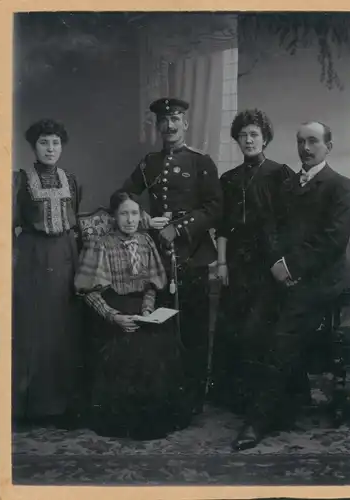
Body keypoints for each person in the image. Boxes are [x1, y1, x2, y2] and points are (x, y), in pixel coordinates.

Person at [232, 121, 350, 450]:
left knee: (283, 335)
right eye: (301, 141)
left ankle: (258, 421)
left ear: (328, 146)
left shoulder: (340, 186)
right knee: (253, 326)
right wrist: (277, 265)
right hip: (283, 276)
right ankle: (288, 402)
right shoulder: (287, 185)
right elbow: (271, 228)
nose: (306, 148)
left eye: (313, 141)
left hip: (318, 281)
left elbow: (332, 241)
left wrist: (290, 267)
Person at [114, 98, 222, 415]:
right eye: (164, 121)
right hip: (158, 257)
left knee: (193, 327)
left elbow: (215, 208)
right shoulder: (149, 163)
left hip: (192, 256)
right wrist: (145, 219)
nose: (170, 126)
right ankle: (167, 394)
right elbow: (122, 197)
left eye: (175, 120)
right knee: (161, 326)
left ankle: (194, 398)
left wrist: (180, 229)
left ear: (185, 124)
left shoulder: (202, 162)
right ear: (158, 126)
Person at [74, 191, 191, 440]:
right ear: (115, 216)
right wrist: (113, 316)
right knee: (130, 353)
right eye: (124, 213)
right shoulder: (100, 244)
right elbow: (87, 292)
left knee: (161, 346)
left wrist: (147, 310)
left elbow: (150, 286)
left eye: (135, 213)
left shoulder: (146, 241)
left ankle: (156, 418)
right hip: (111, 312)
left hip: (141, 311)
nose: (130, 219)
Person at [210, 108, 294, 420]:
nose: (248, 140)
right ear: (237, 139)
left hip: (269, 263)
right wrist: (221, 263)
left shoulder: (280, 174)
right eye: (243, 135)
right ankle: (237, 398)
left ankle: (266, 399)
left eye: (254, 134)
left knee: (262, 329)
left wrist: (283, 262)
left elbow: (290, 224)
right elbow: (222, 227)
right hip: (236, 263)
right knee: (235, 328)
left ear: (265, 138)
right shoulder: (228, 179)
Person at [12, 119, 83, 428]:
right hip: (32, 256)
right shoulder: (20, 181)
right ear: (34, 147)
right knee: (32, 329)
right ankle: (30, 408)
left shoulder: (72, 179)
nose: (51, 148)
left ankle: (64, 406)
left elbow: (75, 220)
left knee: (65, 328)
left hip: (66, 254)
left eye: (55, 142)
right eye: (44, 143)